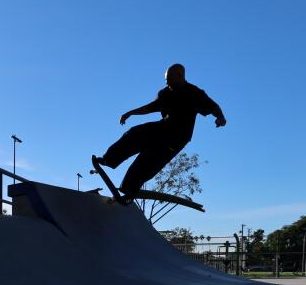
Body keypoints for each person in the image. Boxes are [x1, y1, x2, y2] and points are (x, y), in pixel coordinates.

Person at [92, 63, 226, 202]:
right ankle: (109, 159)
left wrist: (220, 117)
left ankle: (129, 190)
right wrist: (130, 113)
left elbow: (213, 107)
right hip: (163, 128)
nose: (167, 82)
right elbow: (150, 107)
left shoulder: (194, 93)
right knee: (134, 133)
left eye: (169, 79)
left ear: (180, 76)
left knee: (147, 160)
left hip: (178, 137)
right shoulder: (165, 93)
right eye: (165, 80)